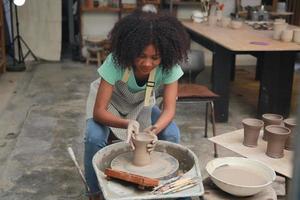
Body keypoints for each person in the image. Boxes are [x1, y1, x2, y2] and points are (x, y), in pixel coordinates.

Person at [84, 9, 190, 200]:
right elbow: (99, 111)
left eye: (155, 57)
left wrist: (153, 131)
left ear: (164, 55)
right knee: (94, 137)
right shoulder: (116, 62)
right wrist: (126, 123)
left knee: (172, 134)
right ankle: (95, 191)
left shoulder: (169, 66)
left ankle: (164, 186)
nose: (148, 63)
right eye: (141, 56)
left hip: (141, 106)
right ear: (130, 50)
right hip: (109, 106)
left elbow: (169, 109)